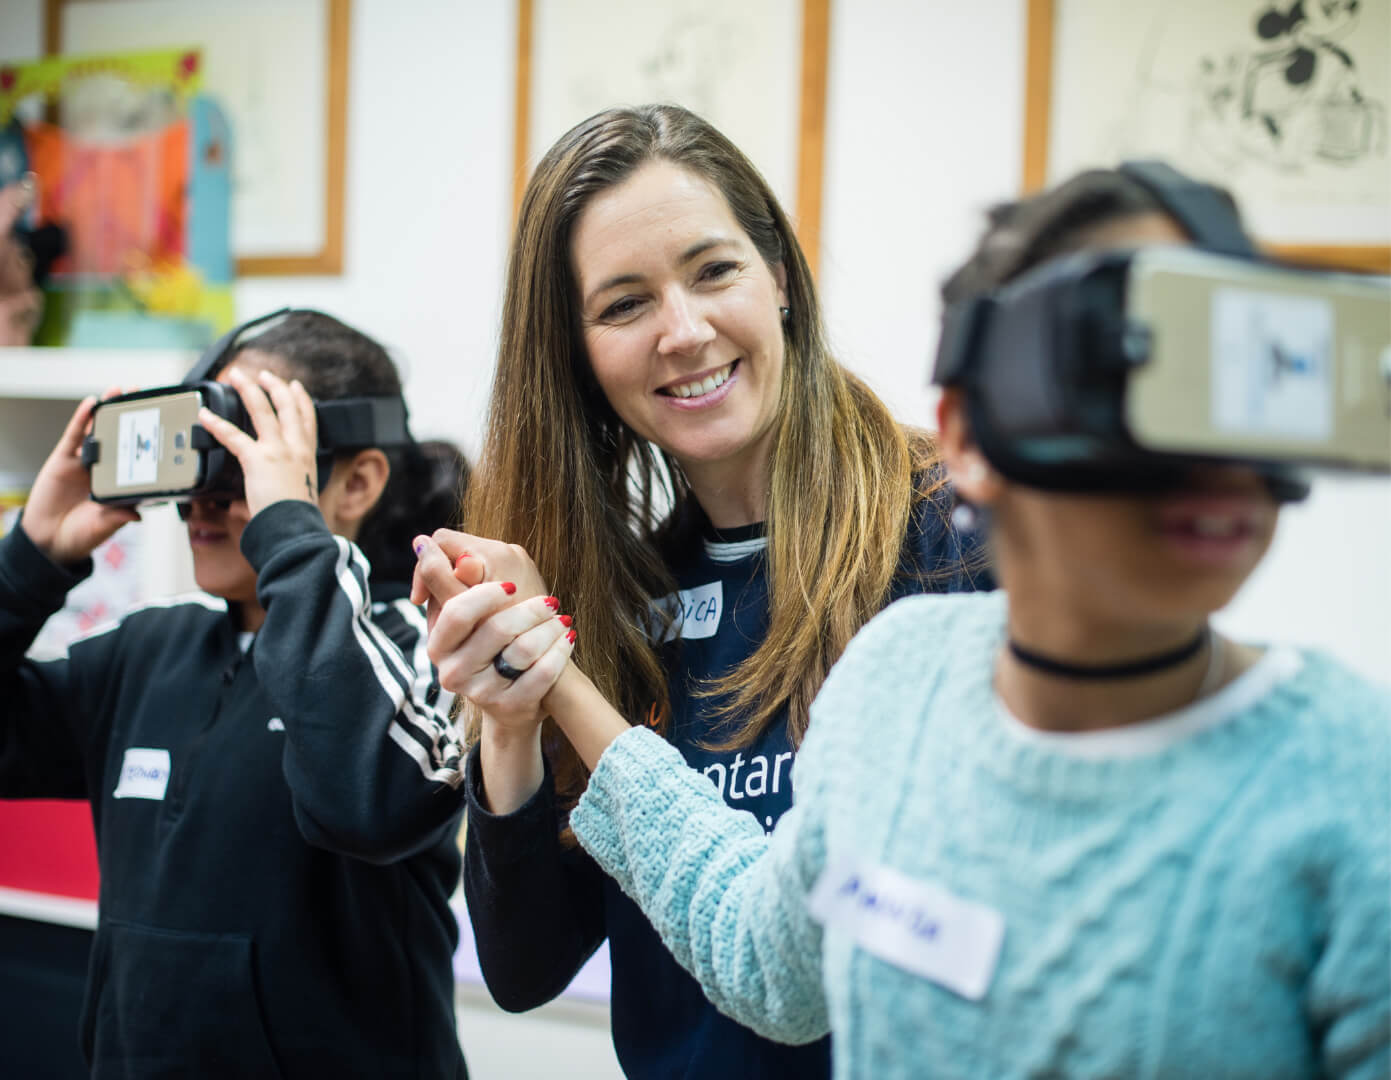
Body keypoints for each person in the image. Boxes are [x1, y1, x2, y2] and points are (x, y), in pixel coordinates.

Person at [420, 167, 1391, 1077]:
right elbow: (760, 953)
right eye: (1127, 379)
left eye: (1242, 385)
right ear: (974, 429)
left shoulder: (1344, 776)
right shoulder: (904, 678)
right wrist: (535, 701)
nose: (1201, 460)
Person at [412, 103, 990, 1079]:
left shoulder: (949, 534)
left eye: (713, 270)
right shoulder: (613, 598)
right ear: (578, 358)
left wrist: (570, 696)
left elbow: (956, 932)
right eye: (623, 303)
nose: (683, 332)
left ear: (778, 278)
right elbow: (522, 967)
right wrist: (512, 715)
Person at [0, 310, 472, 1077]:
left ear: (354, 482)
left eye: (244, 459)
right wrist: (29, 559)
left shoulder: (429, 645)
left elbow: (367, 801)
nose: (206, 496)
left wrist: (288, 528)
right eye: (201, 455)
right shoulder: (145, 654)